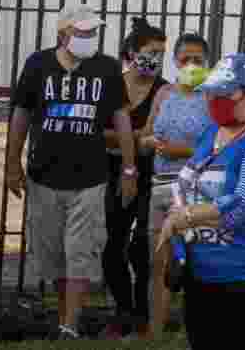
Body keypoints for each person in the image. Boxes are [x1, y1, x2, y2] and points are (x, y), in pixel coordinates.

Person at [5, 4, 135, 341]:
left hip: (90, 179)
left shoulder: (106, 68)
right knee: (56, 255)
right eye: (83, 32)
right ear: (64, 34)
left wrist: (130, 168)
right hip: (44, 176)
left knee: (80, 252)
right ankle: (66, 318)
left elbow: (121, 119)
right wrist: (11, 164)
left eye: (93, 32)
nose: (90, 37)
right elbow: (20, 114)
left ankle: (69, 325)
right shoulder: (38, 65)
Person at [155, 54, 245, 350]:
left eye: (223, 93)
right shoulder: (211, 134)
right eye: (211, 92)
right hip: (202, 273)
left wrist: (187, 217)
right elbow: (187, 184)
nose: (213, 99)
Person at [100, 17, 171, 338]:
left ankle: (142, 315)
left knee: (143, 244)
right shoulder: (112, 83)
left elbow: (154, 135)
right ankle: (123, 310)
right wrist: (133, 138)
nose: (155, 59)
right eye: (150, 51)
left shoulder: (164, 90)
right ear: (132, 51)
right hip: (111, 173)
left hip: (150, 176)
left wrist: (123, 137)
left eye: (161, 53)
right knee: (111, 245)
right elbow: (97, 133)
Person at [144, 33, 212, 340]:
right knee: (159, 262)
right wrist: (150, 143)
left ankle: (195, 332)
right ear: (175, 62)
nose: (191, 65)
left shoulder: (212, 98)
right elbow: (145, 135)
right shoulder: (164, 94)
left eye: (198, 60)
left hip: (196, 188)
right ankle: (154, 332)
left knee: (195, 264)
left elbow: (216, 147)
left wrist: (179, 151)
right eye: (185, 59)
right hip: (161, 186)